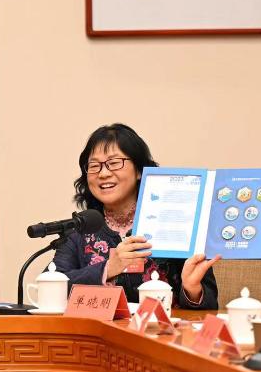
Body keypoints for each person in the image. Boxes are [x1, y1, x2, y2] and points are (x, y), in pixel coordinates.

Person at [52, 123, 219, 308]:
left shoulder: (176, 221)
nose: (103, 173)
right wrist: (107, 269)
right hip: (99, 327)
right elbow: (52, 286)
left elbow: (211, 305)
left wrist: (192, 290)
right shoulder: (80, 228)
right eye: (94, 166)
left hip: (161, 326)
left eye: (114, 163)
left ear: (139, 170)